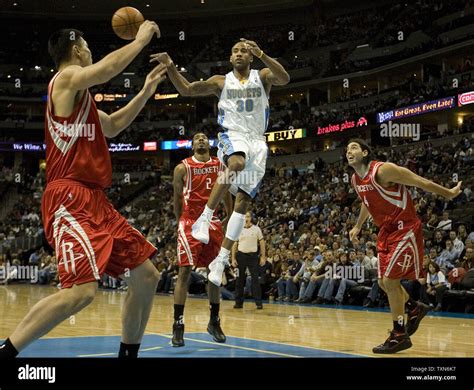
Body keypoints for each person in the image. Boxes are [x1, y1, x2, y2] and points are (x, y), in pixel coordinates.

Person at [0, 23, 165, 359]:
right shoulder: (64, 80)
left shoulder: (82, 99)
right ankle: (6, 353)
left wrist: (145, 91)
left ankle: (128, 355)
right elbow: (107, 69)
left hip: (96, 199)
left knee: (147, 275)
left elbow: (115, 125)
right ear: (76, 49)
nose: (90, 51)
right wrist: (141, 39)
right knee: (81, 292)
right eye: (87, 45)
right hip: (69, 196)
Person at [150, 38, 290, 287]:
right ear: (230, 58)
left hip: (258, 141)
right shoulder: (221, 81)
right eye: (235, 50)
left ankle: (221, 260)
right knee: (235, 163)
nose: (239, 54)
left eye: (244, 51)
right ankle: (205, 217)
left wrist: (263, 54)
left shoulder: (264, 75)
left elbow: (285, 79)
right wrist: (171, 66)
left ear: (250, 57)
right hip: (233, 134)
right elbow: (187, 90)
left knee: (243, 202)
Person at [347, 138, 462, 354]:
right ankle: (413, 308)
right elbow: (367, 200)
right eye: (346, 149)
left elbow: (418, 181)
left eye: (353, 147)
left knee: (391, 280)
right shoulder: (355, 179)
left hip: (405, 227)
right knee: (382, 282)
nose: (348, 151)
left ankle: (399, 334)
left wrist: (448, 193)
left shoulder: (383, 170)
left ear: (365, 152)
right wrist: (357, 226)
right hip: (386, 231)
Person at [171, 133, 233, 347]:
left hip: (212, 222)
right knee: (185, 271)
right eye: (196, 138)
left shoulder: (220, 166)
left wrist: (229, 214)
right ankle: (178, 326)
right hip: (189, 222)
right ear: (192, 144)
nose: (200, 140)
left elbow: (225, 192)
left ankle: (214, 322)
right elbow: (177, 198)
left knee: (215, 274)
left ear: (209, 144)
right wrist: (180, 222)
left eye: (204, 138)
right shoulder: (182, 168)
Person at [231, 211, 266, 309]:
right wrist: (233, 258)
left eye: (248, 216)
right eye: (245, 217)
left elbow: (262, 243)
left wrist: (263, 256)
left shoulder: (257, 229)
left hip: (253, 257)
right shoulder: (238, 229)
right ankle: (238, 303)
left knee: (255, 280)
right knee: (239, 280)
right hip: (240, 256)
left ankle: (258, 303)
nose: (246, 218)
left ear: (251, 218)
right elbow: (235, 244)